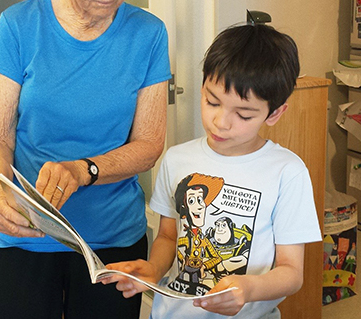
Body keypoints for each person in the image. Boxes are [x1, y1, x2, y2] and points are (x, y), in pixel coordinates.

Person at [0, 0, 170, 319]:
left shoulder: (149, 34)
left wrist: (85, 170)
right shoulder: (18, 26)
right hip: (20, 234)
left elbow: (149, 144)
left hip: (112, 240)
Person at [104, 23, 321, 319]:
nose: (221, 121)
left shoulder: (288, 172)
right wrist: (153, 269)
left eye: (243, 114)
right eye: (212, 101)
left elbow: (292, 272)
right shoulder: (177, 158)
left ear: (275, 113)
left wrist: (248, 289)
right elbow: (169, 237)